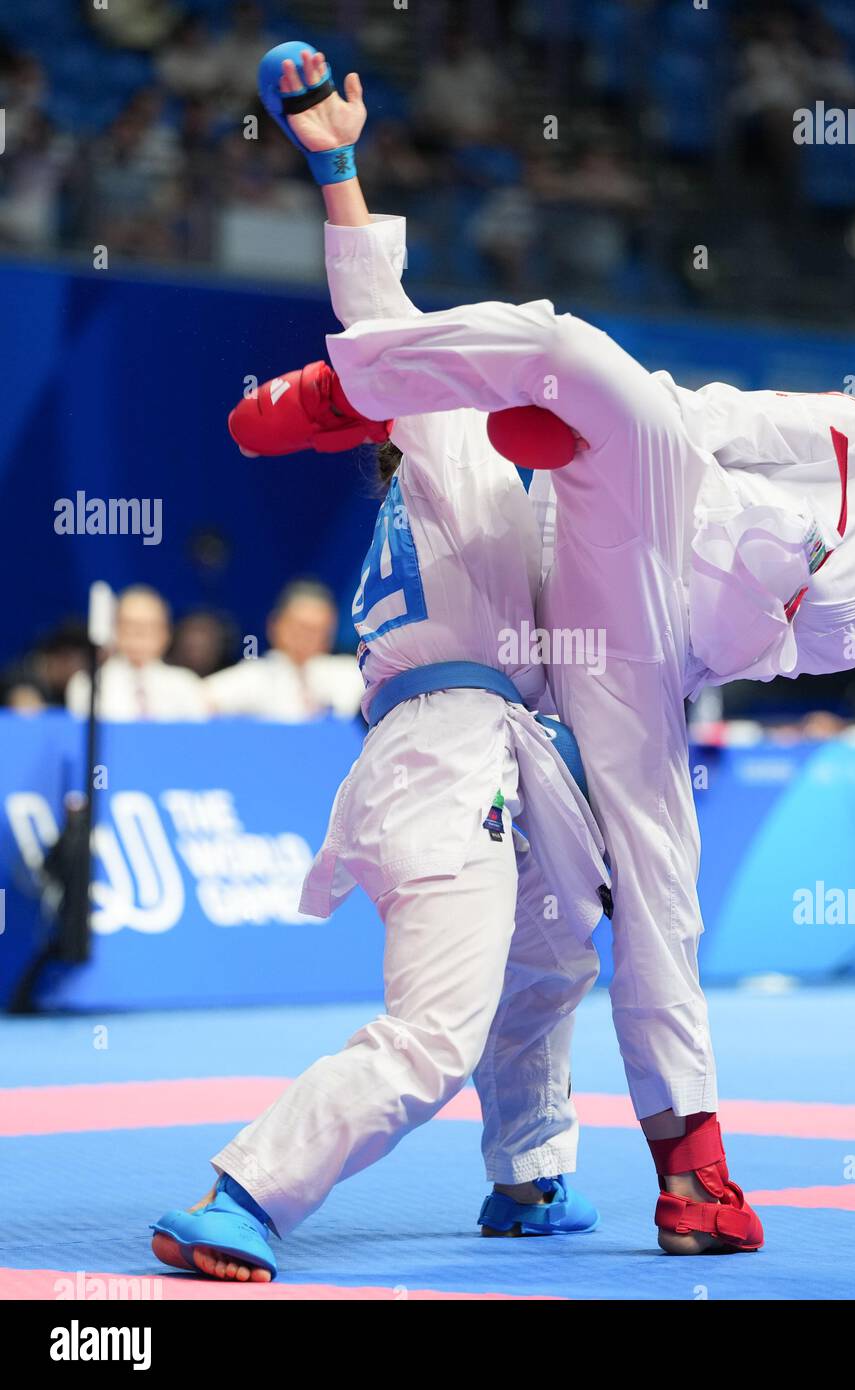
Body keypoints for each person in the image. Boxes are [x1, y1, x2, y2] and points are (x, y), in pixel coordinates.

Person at [302, 256, 855, 1253]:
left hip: (646, 655)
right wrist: (635, 456)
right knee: (585, 358)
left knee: (654, 887)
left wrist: (777, 565)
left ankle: (686, 1175)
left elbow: (761, 649)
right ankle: (367, 385)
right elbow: (720, 421)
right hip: (627, 511)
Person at [150, 47, 610, 1283]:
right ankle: (245, 1191)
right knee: (435, 1035)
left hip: (491, 756)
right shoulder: (448, 436)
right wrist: (340, 164)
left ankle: (529, 1173)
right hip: (445, 755)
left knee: (556, 956)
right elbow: (381, 316)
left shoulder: (518, 487)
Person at [204, 581, 364, 720]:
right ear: (275, 625)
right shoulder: (254, 676)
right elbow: (200, 701)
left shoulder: (349, 672)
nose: (309, 638)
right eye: (302, 628)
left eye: (319, 630)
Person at [66, 585, 207, 721]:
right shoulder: (89, 684)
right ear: (114, 629)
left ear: (166, 633)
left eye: (149, 626)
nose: (139, 635)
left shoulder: (186, 684)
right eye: (130, 625)